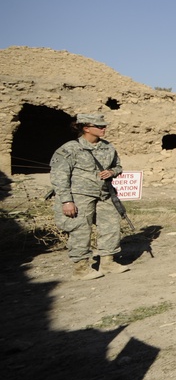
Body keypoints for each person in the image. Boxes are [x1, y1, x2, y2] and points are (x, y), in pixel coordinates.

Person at [49, 113, 131, 280]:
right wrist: (67, 201)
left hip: (105, 194)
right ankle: (81, 268)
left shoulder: (108, 147)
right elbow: (59, 176)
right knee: (80, 230)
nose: (103, 129)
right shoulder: (69, 149)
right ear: (86, 128)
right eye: (99, 126)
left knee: (111, 226)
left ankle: (107, 262)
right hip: (80, 195)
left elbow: (118, 166)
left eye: (104, 126)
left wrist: (112, 172)